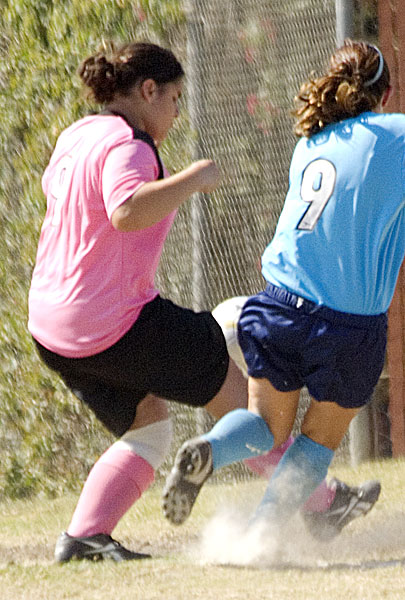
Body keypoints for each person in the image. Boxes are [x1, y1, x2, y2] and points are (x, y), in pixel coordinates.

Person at [162, 40, 405, 543]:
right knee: (317, 442)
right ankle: (259, 539)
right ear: (385, 94)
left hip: (278, 306)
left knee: (265, 427)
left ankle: (210, 448)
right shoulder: (394, 137)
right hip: (348, 326)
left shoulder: (310, 145)